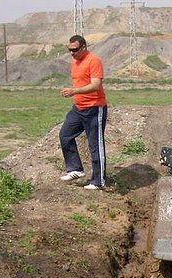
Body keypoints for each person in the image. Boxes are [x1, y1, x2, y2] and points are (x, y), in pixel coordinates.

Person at [59, 35, 108, 190]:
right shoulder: (74, 63)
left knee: (95, 144)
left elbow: (95, 85)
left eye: (75, 49)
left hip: (94, 107)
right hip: (79, 108)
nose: (72, 53)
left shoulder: (94, 61)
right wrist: (76, 94)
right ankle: (76, 169)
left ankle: (98, 181)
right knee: (65, 135)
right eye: (69, 50)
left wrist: (75, 91)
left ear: (84, 47)